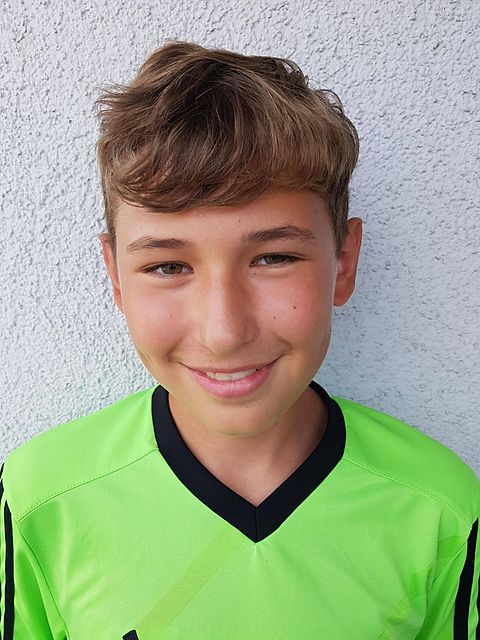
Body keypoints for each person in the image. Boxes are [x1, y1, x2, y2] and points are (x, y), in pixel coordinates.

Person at [0, 41, 478, 640]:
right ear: (115, 275)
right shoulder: (39, 500)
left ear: (344, 262)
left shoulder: (441, 509)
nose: (224, 333)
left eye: (274, 258)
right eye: (168, 266)